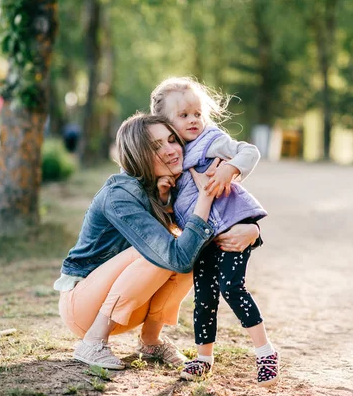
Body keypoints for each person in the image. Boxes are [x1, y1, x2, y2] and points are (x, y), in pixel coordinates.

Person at [53, 113, 261, 370]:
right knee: (163, 252)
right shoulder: (120, 194)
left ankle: (150, 341)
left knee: (190, 247)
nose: (172, 150)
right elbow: (176, 256)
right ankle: (93, 342)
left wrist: (253, 231)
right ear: (138, 154)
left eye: (172, 140)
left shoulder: (173, 186)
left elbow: (222, 218)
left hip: (126, 312)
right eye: (156, 146)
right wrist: (205, 196)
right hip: (82, 307)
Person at [150, 77, 279, 387]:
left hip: (232, 226)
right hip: (204, 236)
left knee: (233, 287)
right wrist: (165, 194)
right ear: (165, 123)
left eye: (197, 113)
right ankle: (204, 358)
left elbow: (249, 151)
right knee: (204, 296)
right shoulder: (170, 156)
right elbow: (175, 207)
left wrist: (230, 168)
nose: (193, 119)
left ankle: (265, 353)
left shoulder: (211, 139)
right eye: (183, 116)